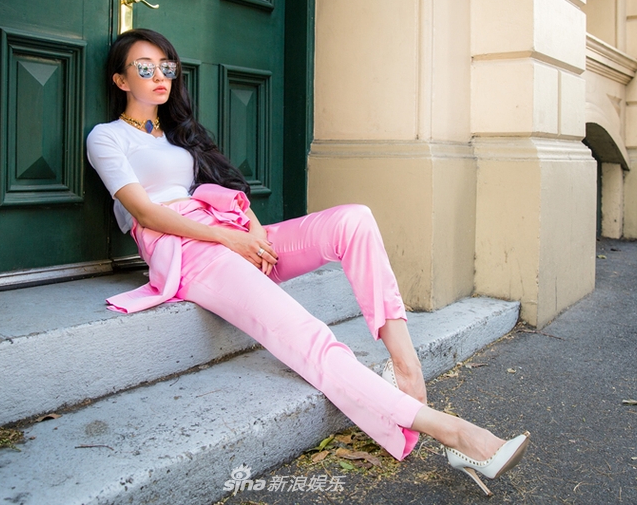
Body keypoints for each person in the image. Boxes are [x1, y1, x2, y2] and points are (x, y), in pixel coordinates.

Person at [86, 29, 529, 496]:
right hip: (189, 250)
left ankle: (406, 369)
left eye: (167, 67)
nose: (160, 76)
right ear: (120, 80)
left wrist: (250, 228)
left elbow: (218, 192)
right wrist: (226, 239)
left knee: (353, 220)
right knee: (307, 333)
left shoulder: (180, 137)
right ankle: (457, 434)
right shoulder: (107, 138)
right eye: (145, 67)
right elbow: (145, 212)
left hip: (231, 234)